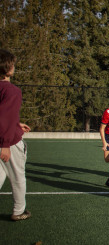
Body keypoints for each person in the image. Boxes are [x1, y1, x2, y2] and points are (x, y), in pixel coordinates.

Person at [0, 49, 32, 221]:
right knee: (18, 177)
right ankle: (19, 211)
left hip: (5, 136)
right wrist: (5, 144)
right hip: (8, 142)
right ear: (8, 67)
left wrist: (16, 123)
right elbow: (5, 116)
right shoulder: (12, 91)